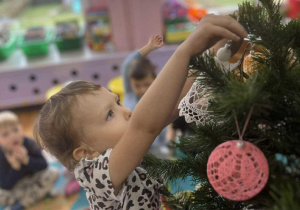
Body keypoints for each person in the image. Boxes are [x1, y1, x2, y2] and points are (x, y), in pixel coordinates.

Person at [34, 14, 247, 209]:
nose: (126, 111)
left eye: (116, 103)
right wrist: (186, 50)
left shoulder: (119, 146)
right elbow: (145, 126)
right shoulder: (95, 174)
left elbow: (169, 107)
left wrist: (210, 55)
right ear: (86, 152)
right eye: (109, 114)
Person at [121, 35, 170, 158]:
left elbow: (163, 126)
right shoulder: (131, 94)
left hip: (154, 148)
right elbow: (127, 65)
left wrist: (166, 144)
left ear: (155, 80)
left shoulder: (159, 97)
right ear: (130, 83)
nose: (142, 89)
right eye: (137, 85)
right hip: (132, 147)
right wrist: (148, 48)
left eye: (146, 84)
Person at [0, 111, 59, 210]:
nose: (12, 136)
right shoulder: (1, 155)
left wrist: (27, 160)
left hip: (34, 179)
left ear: (21, 129)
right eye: (5, 135)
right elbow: (6, 185)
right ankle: (39, 194)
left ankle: (21, 204)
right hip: (17, 187)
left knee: (53, 173)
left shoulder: (30, 144)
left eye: (15, 130)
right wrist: (15, 168)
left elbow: (44, 165)